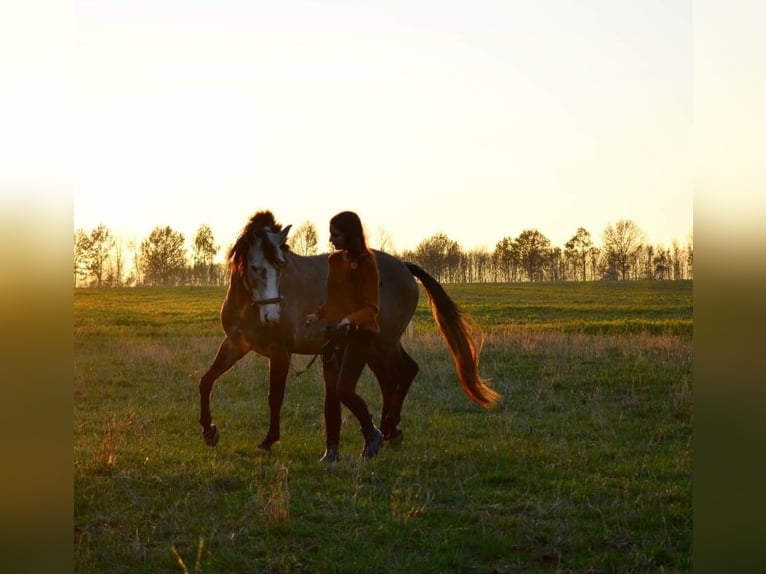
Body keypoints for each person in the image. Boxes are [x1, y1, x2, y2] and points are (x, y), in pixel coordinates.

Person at [305, 211, 385, 462]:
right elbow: (335, 301)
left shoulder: (367, 264)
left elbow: (371, 308)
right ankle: (332, 450)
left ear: (349, 235)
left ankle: (371, 432)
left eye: (336, 234)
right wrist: (318, 316)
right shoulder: (333, 261)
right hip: (334, 330)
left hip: (361, 333)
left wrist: (350, 319)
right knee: (331, 391)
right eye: (330, 234)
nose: (331, 239)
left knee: (344, 389)